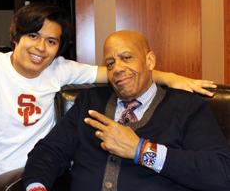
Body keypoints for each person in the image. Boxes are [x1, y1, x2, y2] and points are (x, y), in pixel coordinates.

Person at [0, 2, 215, 191]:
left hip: (27, 175)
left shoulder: (60, 70)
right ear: (16, 37)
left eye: (51, 41)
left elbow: (122, 73)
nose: (40, 48)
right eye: (32, 36)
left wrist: (173, 80)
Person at [22, 30, 230, 191]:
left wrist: (141, 151)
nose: (118, 68)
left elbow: (222, 173)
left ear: (150, 61)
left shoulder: (187, 107)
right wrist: (36, 186)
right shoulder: (90, 102)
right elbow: (48, 152)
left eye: (127, 58)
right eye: (110, 63)